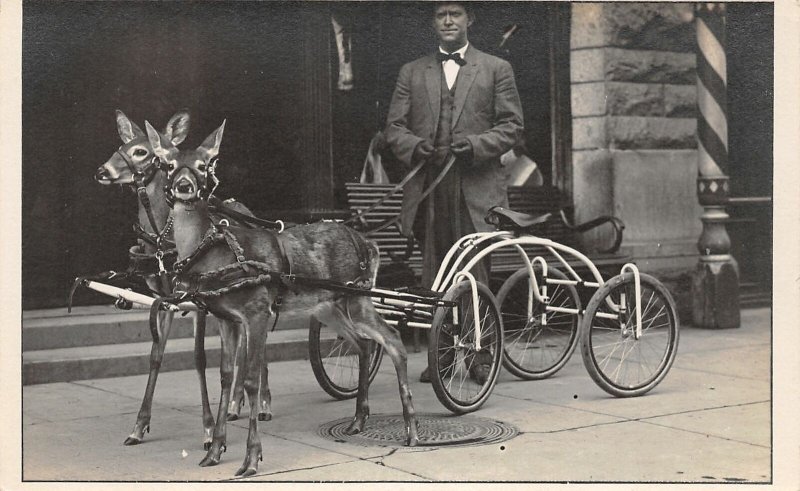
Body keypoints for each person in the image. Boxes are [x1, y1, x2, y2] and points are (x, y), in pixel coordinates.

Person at [384, 2, 524, 382]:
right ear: (433, 22)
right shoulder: (412, 72)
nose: (448, 21)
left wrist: (478, 145)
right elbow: (393, 128)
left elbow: (513, 126)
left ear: (469, 20)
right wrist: (415, 146)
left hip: (476, 187)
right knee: (436, 272)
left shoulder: (496, 68)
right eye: (441, 14)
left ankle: (481, 354)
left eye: (455, 13)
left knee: (475, 268)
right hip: (431, 188)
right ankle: (442, 355)